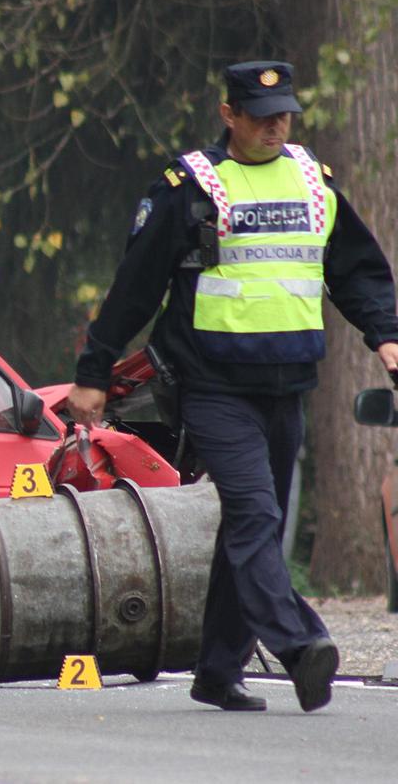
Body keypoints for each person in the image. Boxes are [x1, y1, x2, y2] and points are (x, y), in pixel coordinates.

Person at [67, 61, 398, 712]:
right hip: (213, 384)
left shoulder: (310, 180)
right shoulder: (191, 186)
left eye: (284, 113)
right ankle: (302, 643)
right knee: (254, 514)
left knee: (253, 533)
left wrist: (386, 335)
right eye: (260, 113)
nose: (276, 125)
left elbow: (356, 268)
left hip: (287, 384)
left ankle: (218, 669)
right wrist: (92, 372)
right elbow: (136, 285)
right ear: (229, 115)